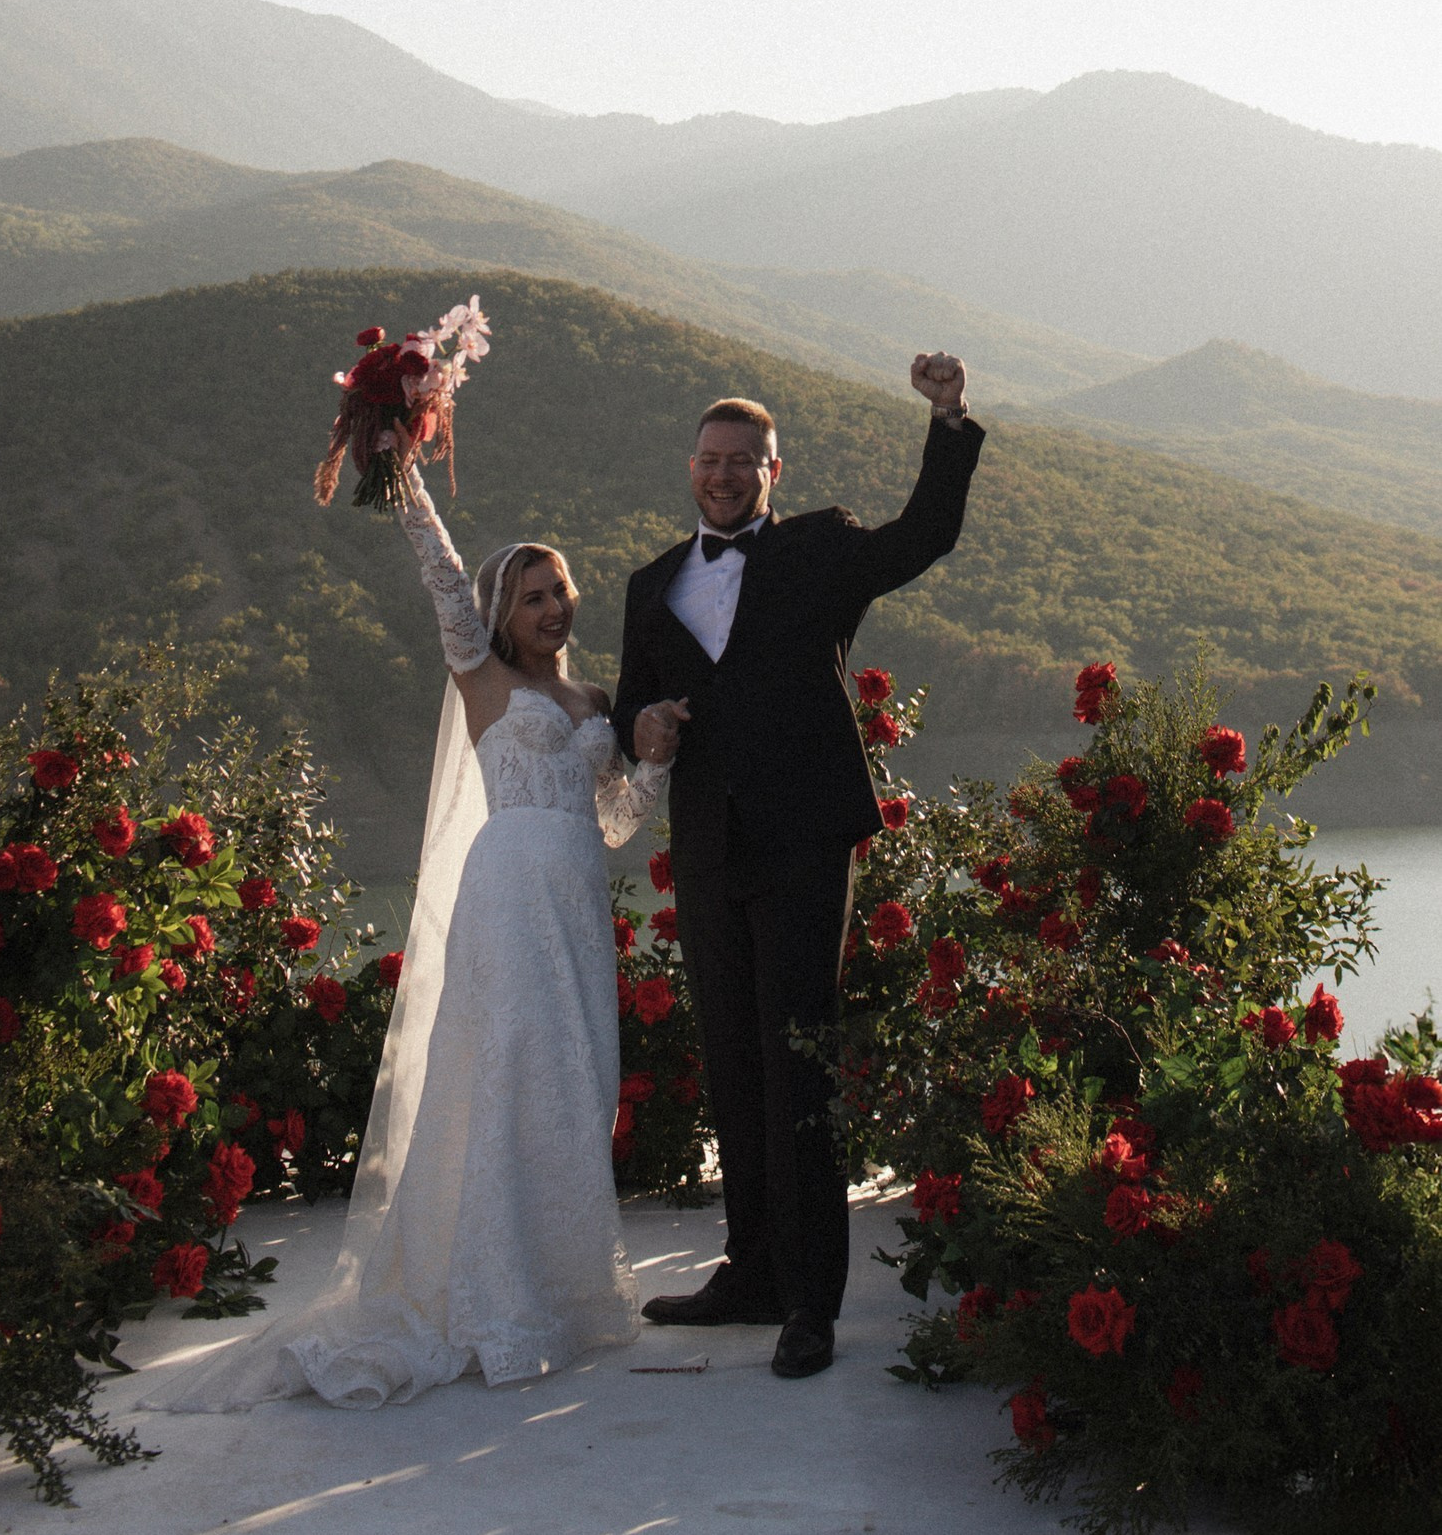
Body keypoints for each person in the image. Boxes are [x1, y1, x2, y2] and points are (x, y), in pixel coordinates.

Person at [151, 462, 686, 1411]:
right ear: (500, 614)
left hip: (572, 902)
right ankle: (492, 1298)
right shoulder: (482, 679)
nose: (552, 607)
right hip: (506, 895)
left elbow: (612, 823)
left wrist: (651, 764)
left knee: (576, 1081)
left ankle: (564, 1291)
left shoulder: (595, 700)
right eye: (531, 596)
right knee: (505, 1073)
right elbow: (440, 571)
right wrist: (401, 463)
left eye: (559, 589)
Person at [612, 354, 984, 1380]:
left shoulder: (820, 549)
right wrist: (639, 722)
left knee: (798, 1065)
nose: (724, 473)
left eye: (744, 460)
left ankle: (810, 1302)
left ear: (773, 470)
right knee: (733, 1062)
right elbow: (629, 705)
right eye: (709, 458)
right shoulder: (651, 584)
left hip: (804, 841)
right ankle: (752, 1273)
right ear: (691, 467)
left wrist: (949, 417)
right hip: (708, 846)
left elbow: (926, 533)